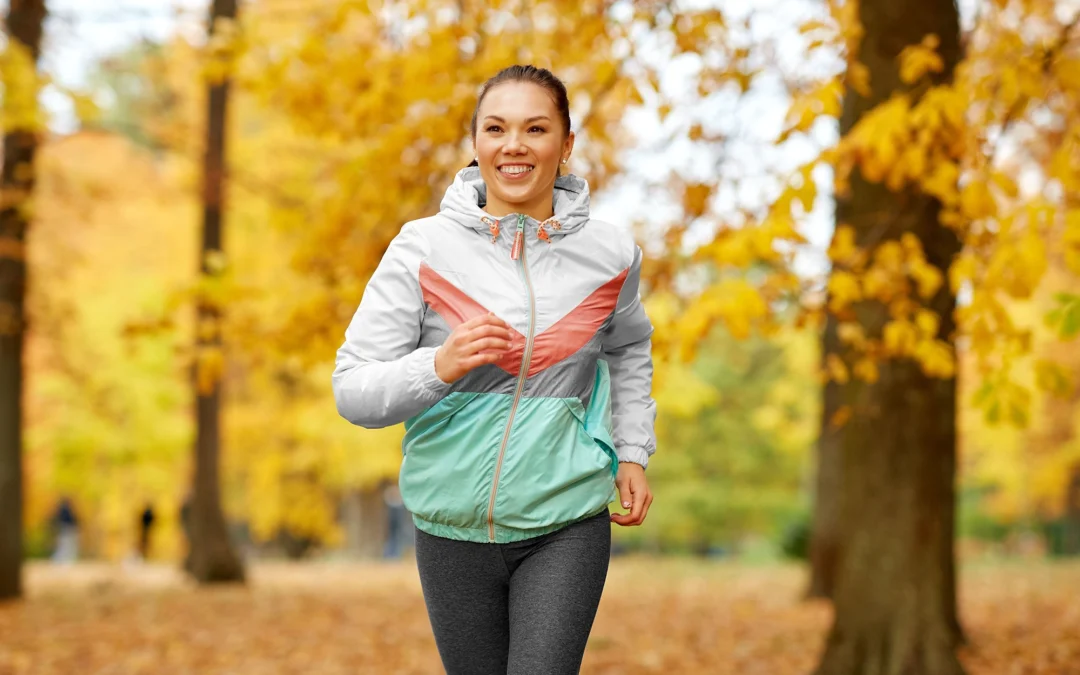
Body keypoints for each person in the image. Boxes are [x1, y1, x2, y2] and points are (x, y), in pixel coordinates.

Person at [333, 64, 657, 674]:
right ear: (476, 142)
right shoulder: (423, 248)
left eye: (536, 128)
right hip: (449, 523)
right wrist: (439, 365)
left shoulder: (611, 254)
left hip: (565, 518)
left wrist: (633, 449)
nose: (514, 145)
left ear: (565, 144)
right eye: (496, 128)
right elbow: (352, 389)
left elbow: (630, 347)